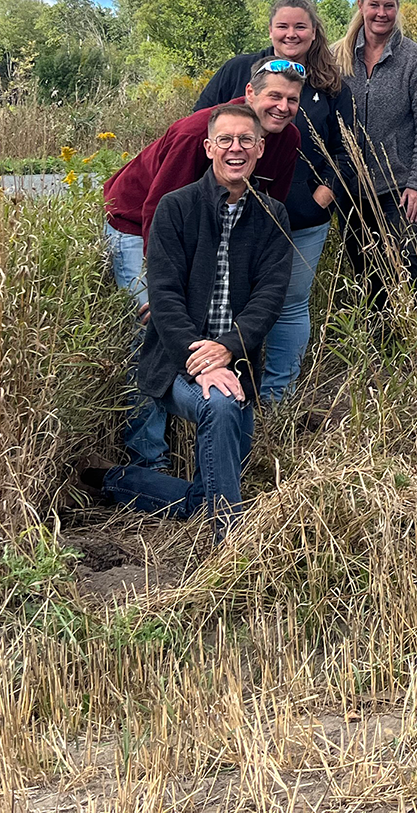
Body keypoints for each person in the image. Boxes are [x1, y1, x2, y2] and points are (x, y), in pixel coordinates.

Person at [99, 103, 292, 541]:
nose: (235, 149)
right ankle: (231, 542)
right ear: (209, 147)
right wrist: (203, 361)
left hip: (238, 364)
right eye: (225, 140)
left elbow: (268, 300)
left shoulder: (272, 216)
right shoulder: (175, 208)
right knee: (220, 406)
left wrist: (227, 348)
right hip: (176, 362)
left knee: (209, 491)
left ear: (260, 149)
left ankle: (118, 481)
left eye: (246, 140)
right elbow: (163, 297)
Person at [195, 0, 353, 402]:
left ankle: (278, 396)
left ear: (314, 32)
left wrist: (322, 196)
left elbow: (349, 149)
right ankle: (229, 393)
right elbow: (199, 126)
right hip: (236, 212)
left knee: (290, 303)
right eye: (283, 26)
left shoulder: (332, 84)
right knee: (232, 300)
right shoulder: (238, 70)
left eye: (300, 26)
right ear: (270, 30)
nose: (291, 34)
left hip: (302, 219)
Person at [335, 0, 417, 310]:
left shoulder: (414, 59)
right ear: (361, 6)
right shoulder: (338, 57)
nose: (381, 13)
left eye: (389, 6)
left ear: (398, 9)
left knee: (408, 267)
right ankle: (381, 348)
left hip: (397, 186)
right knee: (365, 273)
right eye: (374, 5)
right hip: (349, 187)